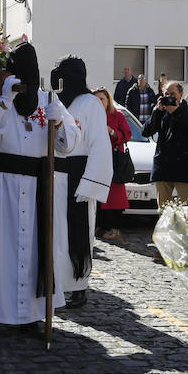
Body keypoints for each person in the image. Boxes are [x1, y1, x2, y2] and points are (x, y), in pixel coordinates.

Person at [0, 41, 80, 340]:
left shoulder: (46, 100)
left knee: (32, 251)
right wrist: (4, 103)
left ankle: (29, 313)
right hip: (1, 185)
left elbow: (69, 146)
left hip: (36, 186)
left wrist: (60, 121)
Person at [50, 55, 111, 310]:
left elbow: (99, 144)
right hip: (56, 175)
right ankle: (56, 282)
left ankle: (78, 285)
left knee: (78, 231)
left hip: (79, 174)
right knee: (57, 232)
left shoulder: (90, 103)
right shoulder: (54, 102)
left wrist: (90, 184)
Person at [141, 80, 188, 207]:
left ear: (181, 94)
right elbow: (146, 131)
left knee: (187, 210)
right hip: (164, 166)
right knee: (164, 210)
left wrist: (176, 111)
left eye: (172, 94)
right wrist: (157, 111)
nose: (169, 97)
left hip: (183, 167)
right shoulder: (160, 112)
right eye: (166, 94)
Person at [94, 88, 130, 241]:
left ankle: (115, 229)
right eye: (96, 99)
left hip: (113, 160)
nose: (99, 102)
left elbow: (127, 134)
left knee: (115, 197)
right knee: (96, 195)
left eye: (101, 99)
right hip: (96, 159)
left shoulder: (117, 115)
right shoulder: (91, 115)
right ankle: (99, 227)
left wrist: (113, 132)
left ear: (108, 100)